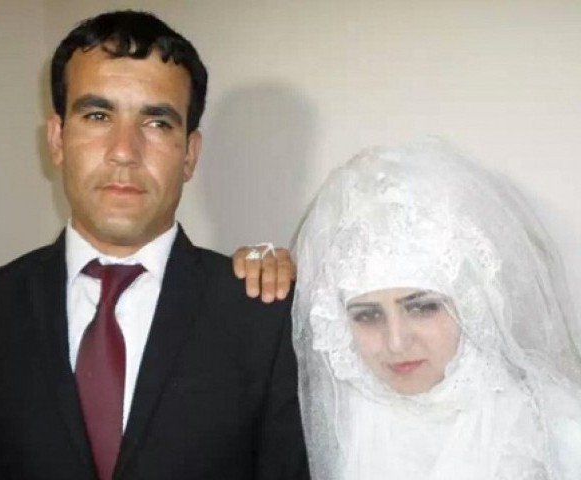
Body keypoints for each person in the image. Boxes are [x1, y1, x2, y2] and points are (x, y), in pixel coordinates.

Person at [0, 10, 309, 480]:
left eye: (157, 123)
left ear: (190, 154)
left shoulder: (266, 317)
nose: (124, 151)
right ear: (57, 139)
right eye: (97, 116)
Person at [236, 138, 581, 478]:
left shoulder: (549, 431)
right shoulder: (330, 417)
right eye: (367, 315)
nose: (396, 342)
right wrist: (256, 275)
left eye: (423, 308)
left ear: (472, 303)